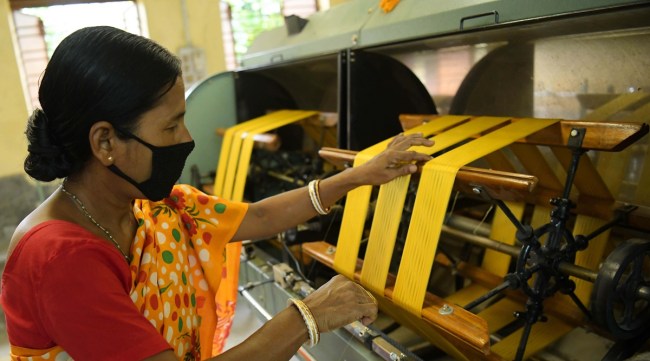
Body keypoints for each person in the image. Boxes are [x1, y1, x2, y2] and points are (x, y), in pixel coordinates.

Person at [0, 26, 434, 361]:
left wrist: (359, 175)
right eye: (170, 126)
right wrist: (308, 315)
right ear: (105, 142)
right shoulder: (60, 259)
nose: (186, 138)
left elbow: (259, 218)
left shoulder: (150, 208)